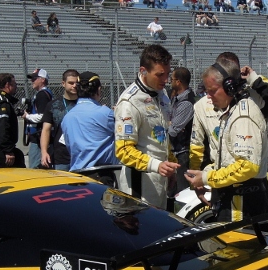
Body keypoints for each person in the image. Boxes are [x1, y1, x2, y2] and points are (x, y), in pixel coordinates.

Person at [184, 58, 268, 224]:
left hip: (242, 202)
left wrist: (206, 178)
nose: (208, 97)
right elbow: (229, 158)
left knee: (237, 249)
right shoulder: (234, 110)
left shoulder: (242, 115)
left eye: (212, 91)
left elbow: (247, 166)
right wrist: (207, 171)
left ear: (229, 88)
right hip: (237, 198)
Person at [114, 45, 180, 209]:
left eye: (167, 74)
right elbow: (123, 150)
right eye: (159, 75)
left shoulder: (161, 94)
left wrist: (170, 164)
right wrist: (157, 165)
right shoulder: (130, 102)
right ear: (143, 71)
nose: (165, 80)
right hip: (140, 186)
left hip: (161, 179)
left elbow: (162, 135)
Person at [62, 72, 118, 185]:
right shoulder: (106, 113)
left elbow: (69, 146)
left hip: (76, 175)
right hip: (100, 175)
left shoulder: (67, 117)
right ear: (98, 89)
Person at [40, 69, 79, 170]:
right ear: (63, 83)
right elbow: (46, 130)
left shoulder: (85, 103)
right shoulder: (53, 105)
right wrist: (44, 152)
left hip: (81, 156)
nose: (74, 85)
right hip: (61, 157)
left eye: (77, 83)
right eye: (71, 83)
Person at [0, 73, 25, 168]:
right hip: (0, 151)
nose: (16, 86)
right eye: (14, 83)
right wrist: (7, 150)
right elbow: (2, 127)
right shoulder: (2, 102)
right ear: (7, 85)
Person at [168, 67, 195, 198]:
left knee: (181, 193)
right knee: (172, 191)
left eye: (171, 79)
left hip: (182, 153)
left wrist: (169, 124)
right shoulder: (176, 98)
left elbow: (172, 131)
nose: (169, 82)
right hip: (174, 152)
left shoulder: (186, 103)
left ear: (178, 81)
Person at [22, 69, 52, 169]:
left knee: (34, 168)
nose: (32, 81)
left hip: (38, 138)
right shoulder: (43, 93)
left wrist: (27, 116)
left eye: (35, 78)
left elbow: (42, 116)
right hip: (38, 137)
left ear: (42, 80)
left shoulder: (42, 95)